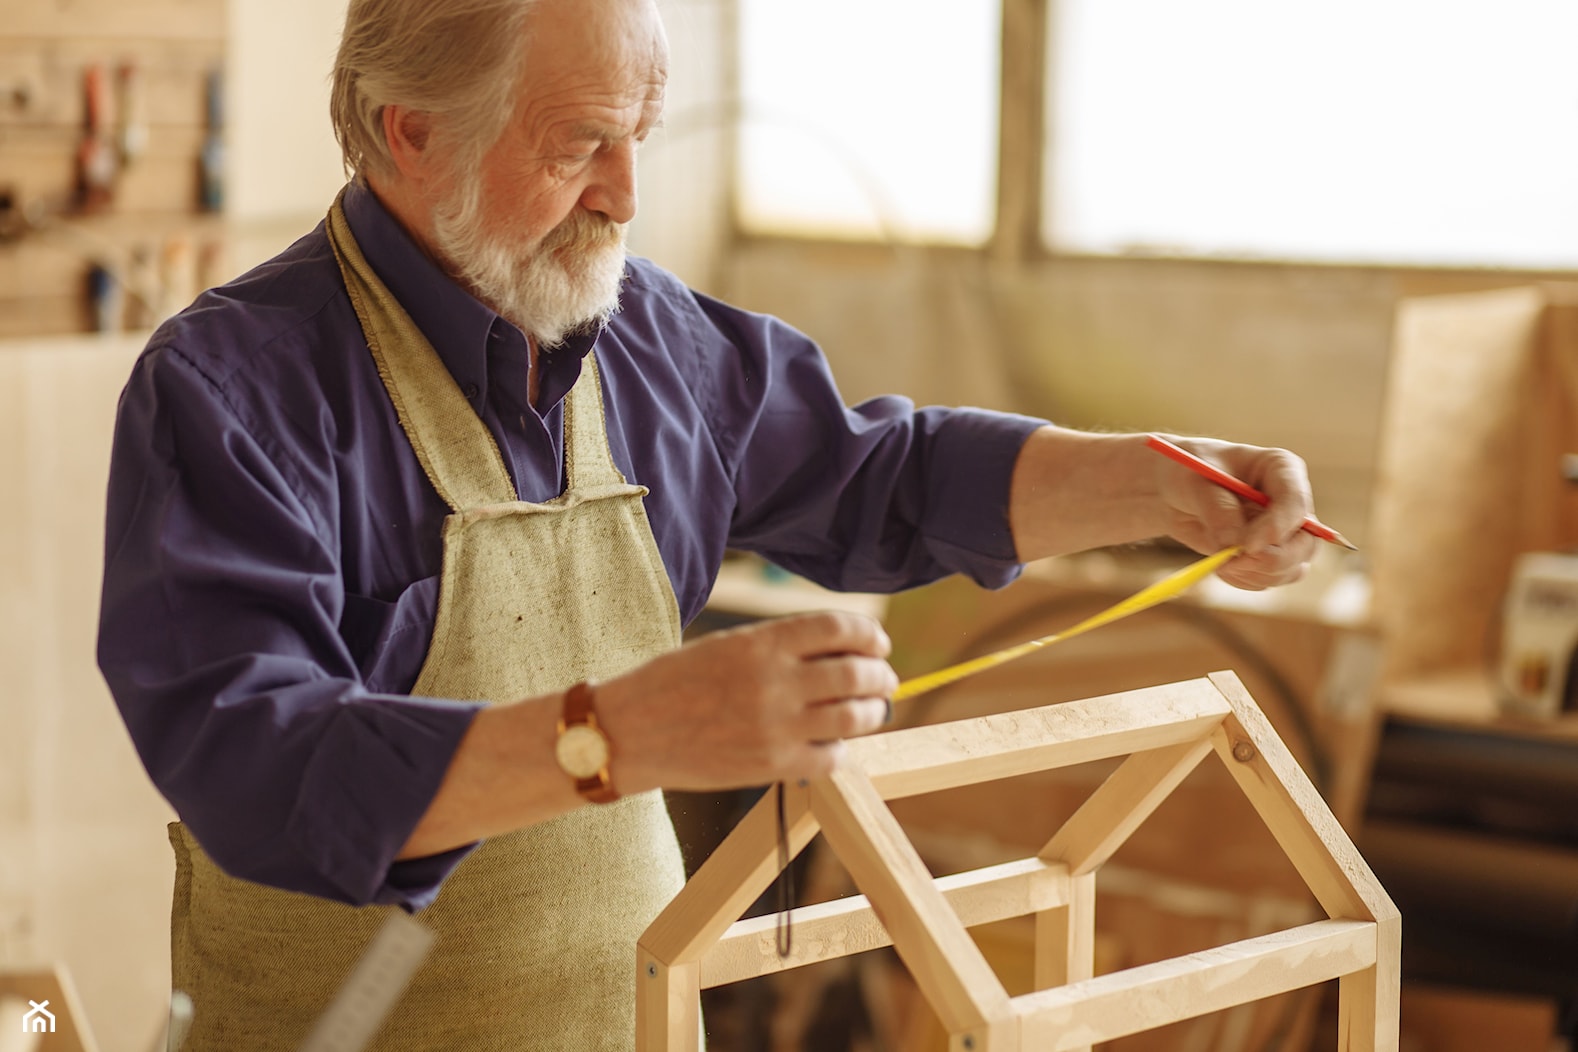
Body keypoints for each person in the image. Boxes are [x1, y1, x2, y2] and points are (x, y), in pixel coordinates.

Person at [96, 0, 1319, 1047]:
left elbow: (884, 475)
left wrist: (1156, 485)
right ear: (411, 133)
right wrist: (613, 735)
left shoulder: (649, 339)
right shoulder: (229, 389)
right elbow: (256, 760)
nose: (626, 193)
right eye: (582, 142)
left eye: (641, 135)